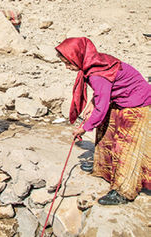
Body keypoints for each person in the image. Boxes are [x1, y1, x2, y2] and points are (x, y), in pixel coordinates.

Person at [55, 37, 150, 205]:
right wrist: (92, 102)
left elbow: (102, 106)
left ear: (78, 56)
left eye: (69, 63)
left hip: (138, 103)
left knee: (126, 145)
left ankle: (123, 191)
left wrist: (84, 128)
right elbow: (103, 92)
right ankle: (104, 168)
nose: (67, 67)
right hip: (122, 99)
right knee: (106, 132)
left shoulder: (96, 74)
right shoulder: (95, 62)